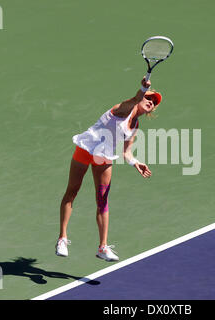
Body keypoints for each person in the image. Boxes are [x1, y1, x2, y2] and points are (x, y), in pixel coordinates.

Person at [55, 76, 162, 262]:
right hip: (86, 148)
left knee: (103, 199)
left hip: (103, 157)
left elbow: (126, 152)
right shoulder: (123, 109)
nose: (150, 103)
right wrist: (142, 89)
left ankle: (102, 247)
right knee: (73, 190)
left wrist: (135, 162)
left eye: (154, 103)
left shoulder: (135, 125)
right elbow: (135, 99)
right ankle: (62, 239)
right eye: (149, 99)